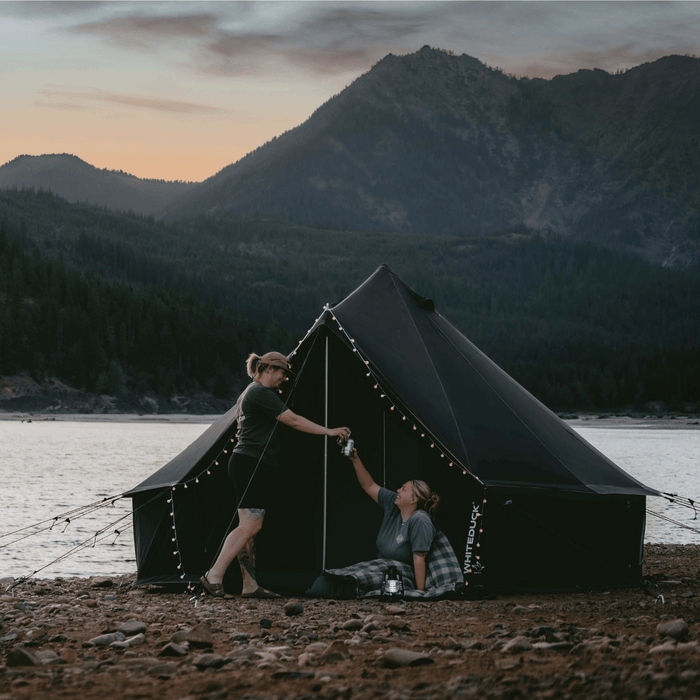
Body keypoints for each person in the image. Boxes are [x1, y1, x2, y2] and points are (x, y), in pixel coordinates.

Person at [200, 351, 350, 598]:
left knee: (248, 527)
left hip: (247, 463)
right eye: (282, 373)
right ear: (268, 369)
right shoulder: (260, 392)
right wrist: (329, 431)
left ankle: (249, 584)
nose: (284, 379)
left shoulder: (249, 392)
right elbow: (293, 420)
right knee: (250, 525)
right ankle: (213, 575)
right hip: (251, 463)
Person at [345, 448, 439, 591]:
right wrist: (355, 459)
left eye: (403, 489)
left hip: (400, 573)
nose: (397, 490)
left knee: (349, 583)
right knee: (343, 576)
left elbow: (419, 559)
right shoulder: (393, 503)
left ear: (414, 499)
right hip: (380, 566)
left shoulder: (419, 520)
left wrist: (420, 594)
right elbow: (369, 485)